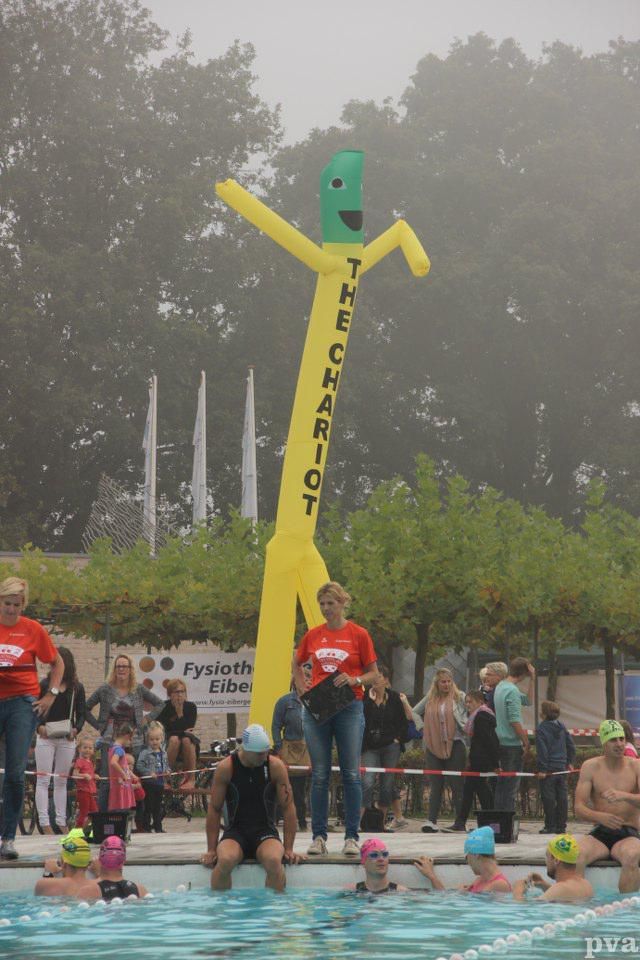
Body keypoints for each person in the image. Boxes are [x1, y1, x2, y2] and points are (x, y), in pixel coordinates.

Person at [293, 581, 379, 857]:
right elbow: (297, 661)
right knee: (319, 774)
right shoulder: (313, 635)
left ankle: (351, 836)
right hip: (319, 705)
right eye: (322, 604)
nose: (326, 608)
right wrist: (300, 686)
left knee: (350, 773)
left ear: (343, 603)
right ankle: (318, 837)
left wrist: (355, 678)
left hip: (349, 705)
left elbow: (373, 673)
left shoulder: (359, 634)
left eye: (331, 603)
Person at [0, 576, 64, 860]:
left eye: (16, 605)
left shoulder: (33, 630)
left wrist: (50, 693)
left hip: (22, 703)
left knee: (14, 772)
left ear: (22, 605)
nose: (11, 610)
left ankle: (8, 838)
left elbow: (57, 662)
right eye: (6, 604)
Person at [201, 724, 304, 891]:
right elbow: (214, 808)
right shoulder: (226, 767)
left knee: (273, 861)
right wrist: (211, 850)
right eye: (259, 754)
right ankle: (220, 910)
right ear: (246, 750)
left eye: (266, 752)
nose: (264, 757)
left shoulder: (275, 766)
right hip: (235, 833)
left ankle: (275, 912)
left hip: (265, 832)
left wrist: (289, 848)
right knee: (225, 860)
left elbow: (288, 807)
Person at [85, 654, 164, 810]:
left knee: (131, 778)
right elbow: (85, 708)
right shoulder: (105, 689)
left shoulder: (138, 689)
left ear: (130, 669)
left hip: (133, 739)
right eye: (118, 666)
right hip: (110, 739)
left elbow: (160, 704)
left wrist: (147, 720)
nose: (121, 669)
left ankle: (131, 819)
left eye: (124, 666)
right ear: (114, 669)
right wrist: (98, 726)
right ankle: (103, 817)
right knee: (109, 779)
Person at [574, 719, 640, 893]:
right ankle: (575, 906)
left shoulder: (636, 766)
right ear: (603, 742)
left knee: (632, 856)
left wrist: (624, 796)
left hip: (628, 833)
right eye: (613, 740)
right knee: (576, 855)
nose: (619, 744)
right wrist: (600, 817)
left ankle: (624, 912)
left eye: (621, 738)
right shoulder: (590, 767)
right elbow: (579, 808)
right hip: (600, 833)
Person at [35, 645, 87, 835]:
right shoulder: (44, 684)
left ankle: (61, 821)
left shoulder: (76, 688)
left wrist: (76, 729)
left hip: (66, 737)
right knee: (43, 779)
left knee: (61, 781)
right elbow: (35, 708)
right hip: (46, 736)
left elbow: (82, 713)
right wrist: (38, 727)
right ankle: (44, 823)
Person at [411, 667, 468, 833]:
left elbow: (471, 712)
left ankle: (460, 821)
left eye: (449, 681)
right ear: (437, 683)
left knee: (456, 783)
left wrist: (465, 725)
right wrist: (422, 728)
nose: (447, 684)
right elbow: (414, 712)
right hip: (433, 745)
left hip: (456, 743)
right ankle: (431, 820)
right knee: (436, 784)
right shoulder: (430, 698)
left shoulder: (460, 696)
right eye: (443, 681)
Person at [360, 666, 413, 831]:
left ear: (386, 680)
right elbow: (361, 720)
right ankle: (360, 821)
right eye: (373, 677)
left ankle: (380, 823)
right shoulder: (365, 698)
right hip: (370, 746)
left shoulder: (395, 698)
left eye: (379, 676)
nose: (375, 680)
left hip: (390, 745)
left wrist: (399, 739)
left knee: (387, 784)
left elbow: (404, 721)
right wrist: (369, 701)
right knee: (367, 781)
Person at [452, 689, 500, 831]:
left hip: (481, 760)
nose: (467, 705)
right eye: (466, 702)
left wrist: (495, 763)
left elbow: (489, 740)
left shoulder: (481, 716)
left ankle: (488, 823)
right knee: (474, 790)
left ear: (480, 702)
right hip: (477, 759)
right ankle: (465, 821)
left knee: (479, 790)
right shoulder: (479, 716)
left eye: (470, 701)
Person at [271, 664, 312, 830]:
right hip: (289, 747)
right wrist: (279, 747)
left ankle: (302, 821)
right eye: (304, 676)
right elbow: (275, 726)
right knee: (285, 785)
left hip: (307, 749)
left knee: (301, 789)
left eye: (309, 676)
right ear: (295, 680)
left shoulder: (316, 701)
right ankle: (277, 818)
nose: (307, 679)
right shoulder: (284, 702)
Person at [493, 657, 535, 813]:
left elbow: (528, 701)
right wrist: (526, 742)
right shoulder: (512, 691)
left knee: (502, 785)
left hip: (500, 742)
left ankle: (499, 819)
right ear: (524, 672)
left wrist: (533, 680)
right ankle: (507, 820)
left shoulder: (501, 687)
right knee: (510, 787)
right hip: (511, 745)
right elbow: (515, 720)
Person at [415, 826, 511, 894]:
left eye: (467, 857)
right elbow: (445, 900)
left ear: (476, 855)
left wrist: (462, 896)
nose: (468, 862)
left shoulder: (499, 885)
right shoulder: (481, 880)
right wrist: (431, 876)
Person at [536, 700, 576, 834]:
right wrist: (570, 762)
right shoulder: (561, 726)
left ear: (544, 714)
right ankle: (561, 826)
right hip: (562, 768)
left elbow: (542, 751)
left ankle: (550, 825)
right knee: (562, 797)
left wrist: (542, 769)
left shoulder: (541, 729)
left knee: (548, 798)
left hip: (548, 770)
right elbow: (571, 745)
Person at [513, 834, 593, 902]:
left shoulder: (560, 888)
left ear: (556, 860)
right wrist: (544, 885)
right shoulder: (586, 884)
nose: (546, 862)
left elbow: (529, 909)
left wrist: (518, 892)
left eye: (547, 857)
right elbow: (563, 895)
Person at [155, 679, 199, 791]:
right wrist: (181, 731)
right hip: (168, 741)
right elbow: (163, 729)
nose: (180, 695)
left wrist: (180, 713)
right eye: (176, 692)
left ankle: (191, 779)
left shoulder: (191, 707)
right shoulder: (163, 707)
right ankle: (164, 778)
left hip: (187, 742)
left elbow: (189, 728)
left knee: (187, 740)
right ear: (170, 694)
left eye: (182, 691)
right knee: (175, 739)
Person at [76, 835, 148, 900]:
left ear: (100, 859)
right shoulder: (141, 891)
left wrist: (98, 873)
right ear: (123, 860)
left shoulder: (88, 892)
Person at [135, 720, 171, 833]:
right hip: (149, 784)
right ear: (147, 740)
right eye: (151, 739)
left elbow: (166, 765)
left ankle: (158, 826)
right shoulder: (145, 752)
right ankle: (146, 826)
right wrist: (148, 773)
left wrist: (167, 771)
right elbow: (139, 766)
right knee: (148, 806)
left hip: (159, 784)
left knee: (158, 807)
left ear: (162, 739)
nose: (154, 742)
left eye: (157, 739)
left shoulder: (163, 753)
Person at [35, 832, 93, 896]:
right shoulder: (97, 886)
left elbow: (43, 892)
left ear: (64, 864)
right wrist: (99, 872)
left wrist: (48, 873)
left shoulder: (43, 884)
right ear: (87, 865)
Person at [72, 736, 98, 829]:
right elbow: (75, 774)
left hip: (90, 791)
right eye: (85, 747)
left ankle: (86, 829)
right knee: (84, 812)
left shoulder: (90, 762)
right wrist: (84, 775)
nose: (87, 750)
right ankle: (77, 831)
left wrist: (94, 776)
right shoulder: (80, 761)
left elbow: (90, 775)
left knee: (94, 812)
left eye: (90, 748)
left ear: (93, 750)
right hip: (83, 791)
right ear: (79, 749)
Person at [108, 723, 135, 812]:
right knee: (121, 812)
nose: (130, 742)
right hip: (121, 787)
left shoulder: (112, 748)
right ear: (127, 736)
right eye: (130, 739)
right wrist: (123, 774)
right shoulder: (119, 749)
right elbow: (113, 762)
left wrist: (133, 776)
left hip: (117, 786)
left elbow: (124, 766)